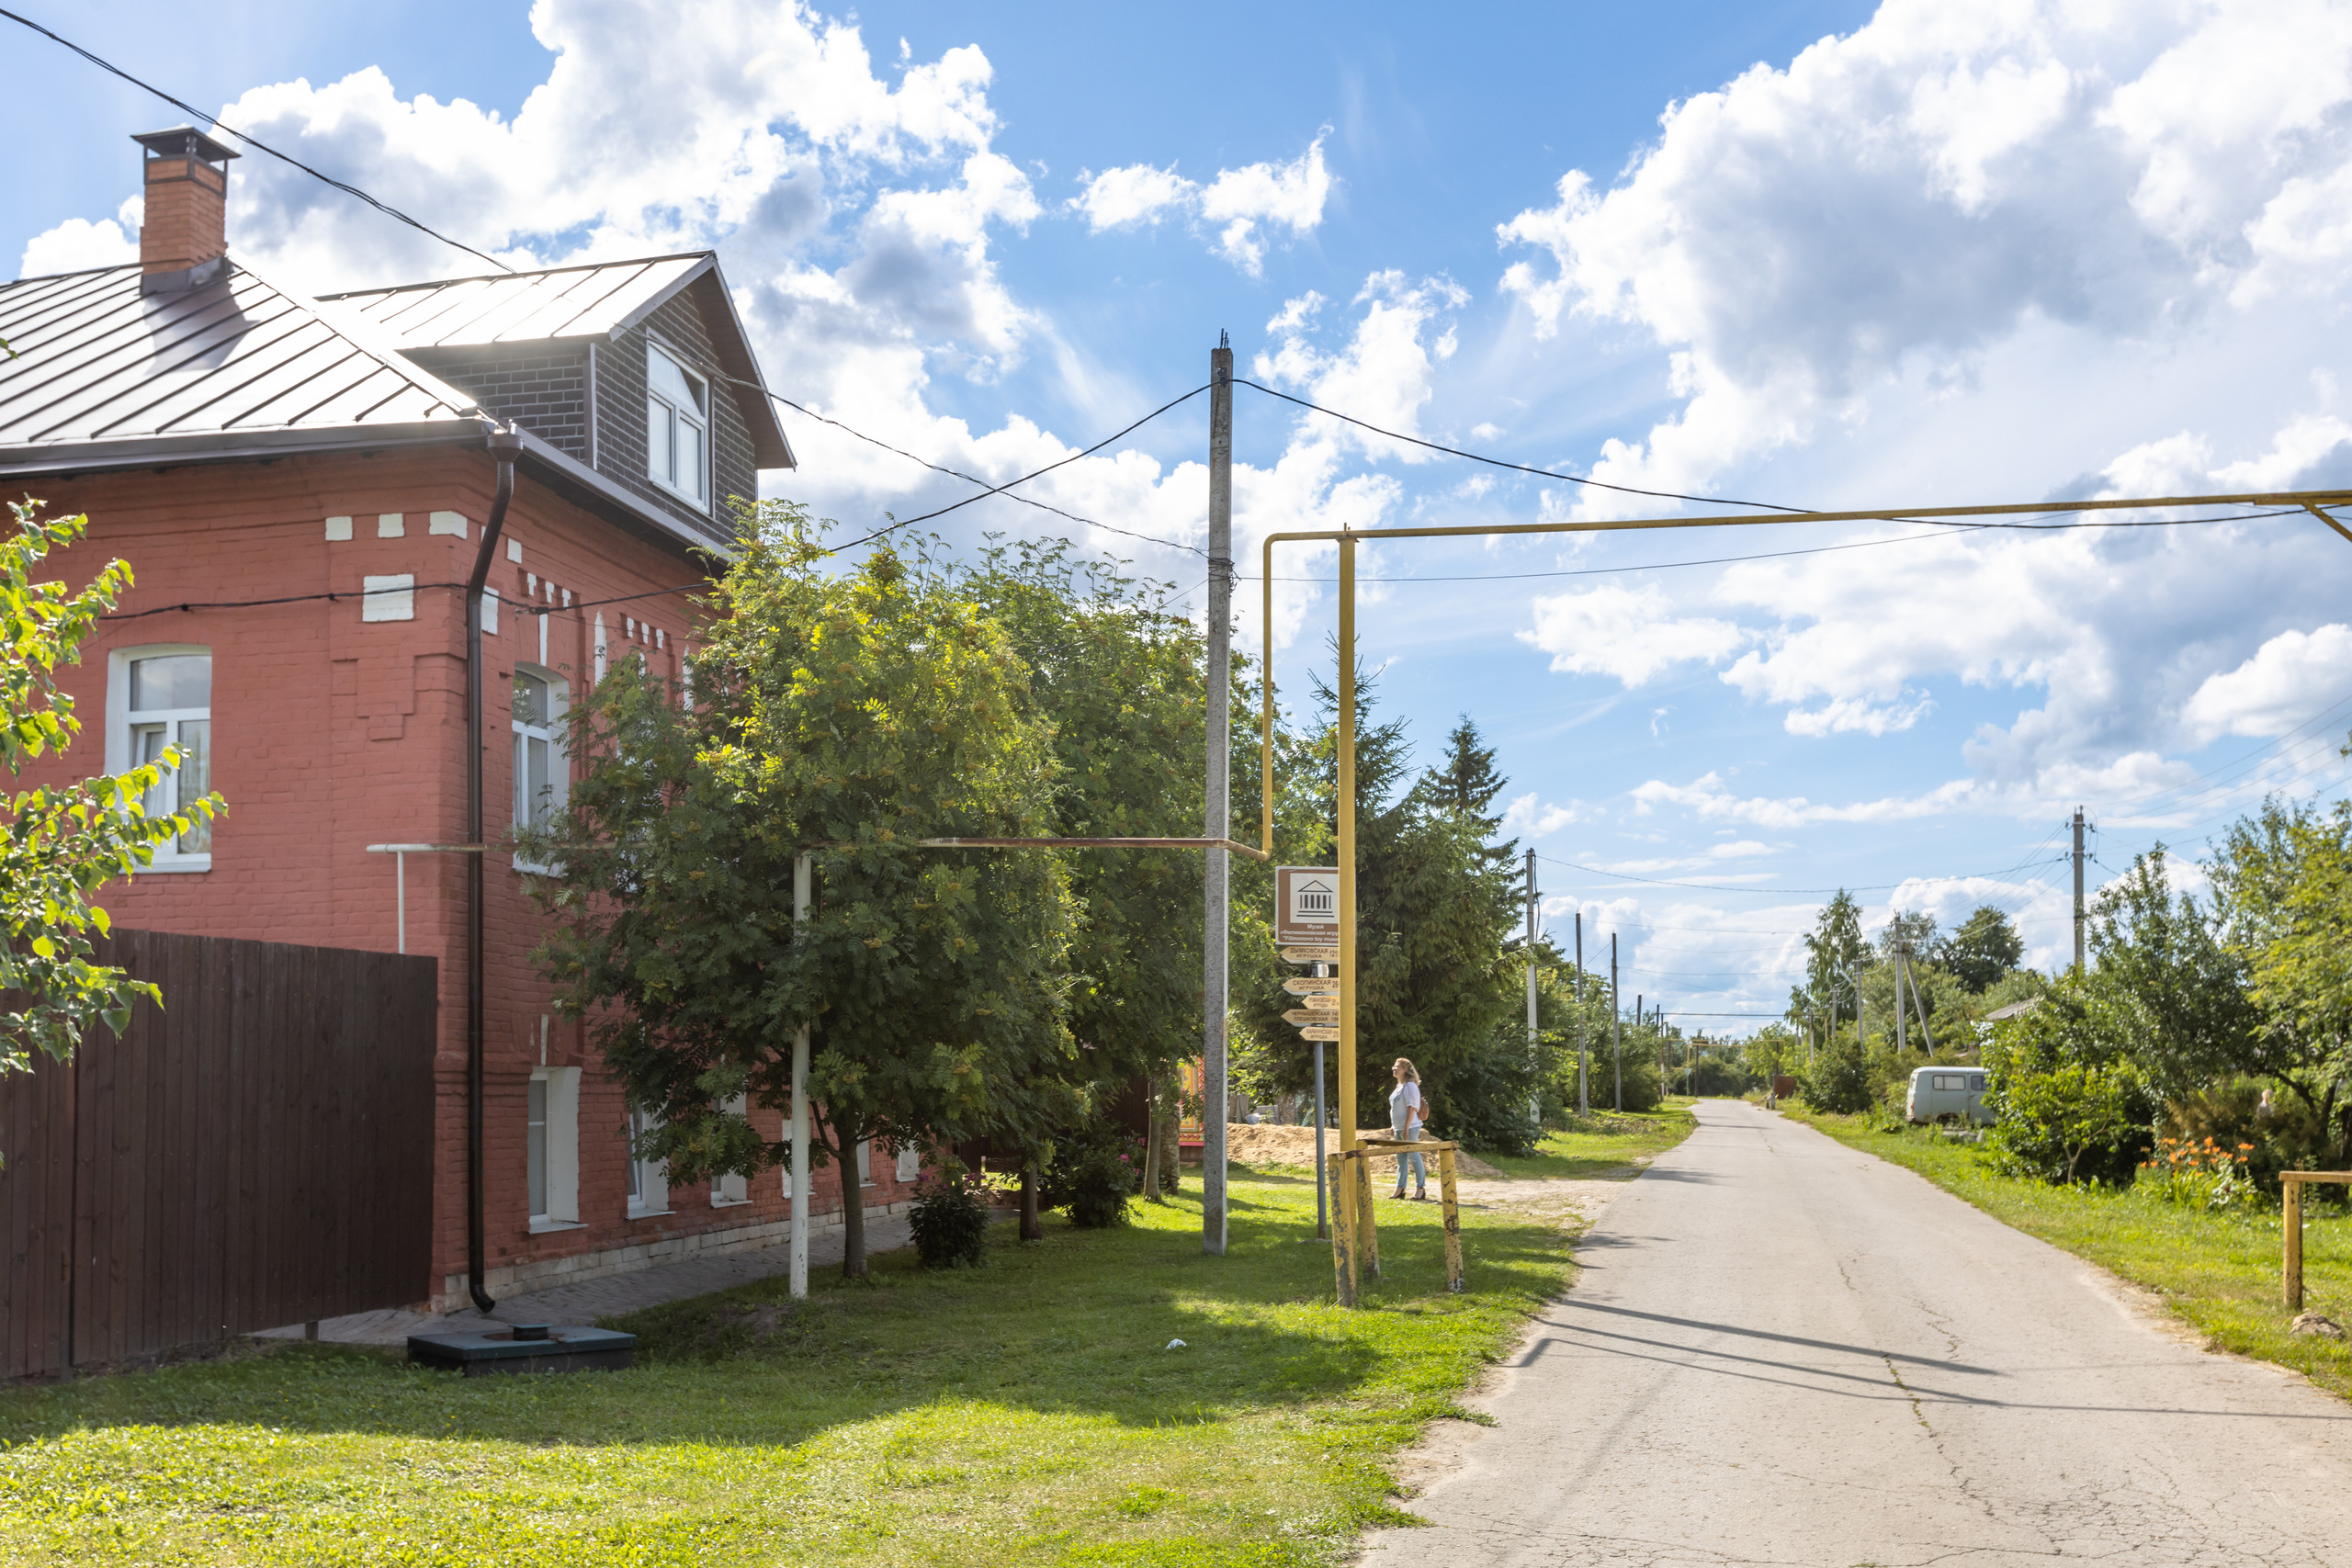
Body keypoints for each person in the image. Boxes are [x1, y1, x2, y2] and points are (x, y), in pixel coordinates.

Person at [1389, 1057, 1428, 1200]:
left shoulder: (1410, 1086)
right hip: (1399, 1128)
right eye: (1394, 1066)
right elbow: (1395, 1108)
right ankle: (1400, 1189)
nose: (1393, 1068)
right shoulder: (1399, 1086)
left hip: (1410, 1127)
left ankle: (1420, 1189)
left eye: (1397, 1066)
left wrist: (1405, 1128)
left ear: (1405, 1069)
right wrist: (1394, 1125)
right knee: (1401, 1158)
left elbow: (1412, 1108)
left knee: (1414, 1156)